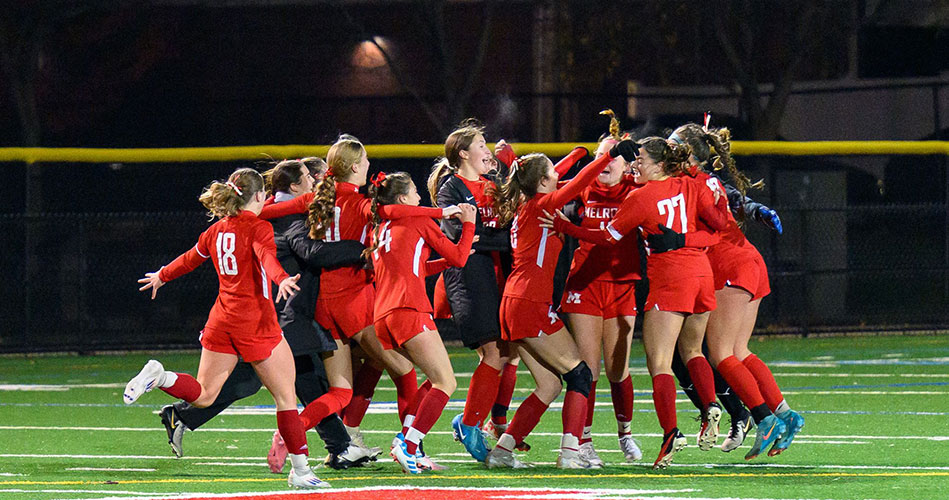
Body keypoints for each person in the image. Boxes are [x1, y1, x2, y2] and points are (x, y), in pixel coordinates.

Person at [159, 159, 372, 472]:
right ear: (297, 185)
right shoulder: (284, 218)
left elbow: (194, 257)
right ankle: (324, 450)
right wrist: (361, 250)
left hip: (262, 313)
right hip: (277, 315)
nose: (317, 183)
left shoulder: (265, 211)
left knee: (251, 383)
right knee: (305, 384)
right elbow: (307, 252)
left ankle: (336, 446)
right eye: (311, 178)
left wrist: (162, 275)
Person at [125, 167, 327, 489]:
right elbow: (266, 257)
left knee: (204, 396)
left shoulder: (217, 230)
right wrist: (282, 279)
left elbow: (191, 258)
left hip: (222, 319)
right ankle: (301, 471)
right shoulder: (258, 227)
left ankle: (161, 376)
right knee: (287, 397)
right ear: (260, 196)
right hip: (255, 322)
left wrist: (162, 275)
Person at [545, 137, 730, 469]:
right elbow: (717, 227)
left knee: (658, 362)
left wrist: (563, 226)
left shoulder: (638, 194)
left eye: (637, 159)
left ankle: (670, 432)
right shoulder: (687, 182)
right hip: (700, 273)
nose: (631, 164)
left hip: (667, 277)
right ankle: (709, 405)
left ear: (659, 164)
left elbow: (606, 237)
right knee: (693, 351)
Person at [484, 142, 635, 469]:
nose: (557, 175)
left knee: (551, 384)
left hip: (514, 302)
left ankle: (502, 450)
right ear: (542, 182)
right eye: (552, 172)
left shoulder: (530, 202)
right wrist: (605, 158)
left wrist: (578, 156)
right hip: (530, 303)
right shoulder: (542, 205)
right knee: (580, 374)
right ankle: (570, 453)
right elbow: (579, 182)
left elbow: (564, 176)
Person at [659, 123, 804, 459]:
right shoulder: (705, 180)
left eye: (671, 146)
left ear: (687, 154)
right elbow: (736, 200)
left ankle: (763, 419)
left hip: (727, 266)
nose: (666, 152)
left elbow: (726, 206)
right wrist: (754, 210)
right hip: (748, 260)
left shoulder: (687, 183)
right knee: (739, 350)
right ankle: (784, 414)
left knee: (721, 353)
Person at [365, 171, 478, 474]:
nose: (419, 197)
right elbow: (459, 258)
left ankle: (407, 441)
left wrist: (463, 243)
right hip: (408, 309)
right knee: (446, 381)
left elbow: (415, 268)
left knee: (432, 379)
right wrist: (468, 225)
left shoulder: (382, 228)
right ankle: (408, 444)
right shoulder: (418, 220)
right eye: (415, 191)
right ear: (403, 199)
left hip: (383, 315)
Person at [426, 123, 522, 462]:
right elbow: (466, 239)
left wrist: (511, 167)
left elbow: (506, 224)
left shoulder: (493, 183)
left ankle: (476, 418)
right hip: (468, 277)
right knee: (493, 353)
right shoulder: (452, 189)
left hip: (496, 273)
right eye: (481, 144)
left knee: (507, 352)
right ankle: (468, 423)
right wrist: (501, 238)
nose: (488, 149)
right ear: (463, 153)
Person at [556, 111, 644, 466]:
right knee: (587, 369)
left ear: (628, 165)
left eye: (613, 156)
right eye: (599, 156)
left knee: (618, 369)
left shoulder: (638, 190)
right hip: (585, 284)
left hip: (623, 284)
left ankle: (625, 433)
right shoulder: (584, 186)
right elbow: (553, 187)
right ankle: (585, 439)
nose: (604, 162)